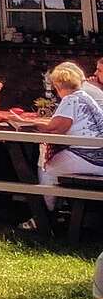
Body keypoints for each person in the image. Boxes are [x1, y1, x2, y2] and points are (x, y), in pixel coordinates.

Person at [38, 62, 103, 210]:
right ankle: (64, 206)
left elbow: (56, 128)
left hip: (89, 157)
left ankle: (46, 213)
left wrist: (26, 124)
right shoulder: (85, 96)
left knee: (47, 166)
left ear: (58, 86)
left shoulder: (70, 99)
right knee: (58, 162)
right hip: (99, 156)